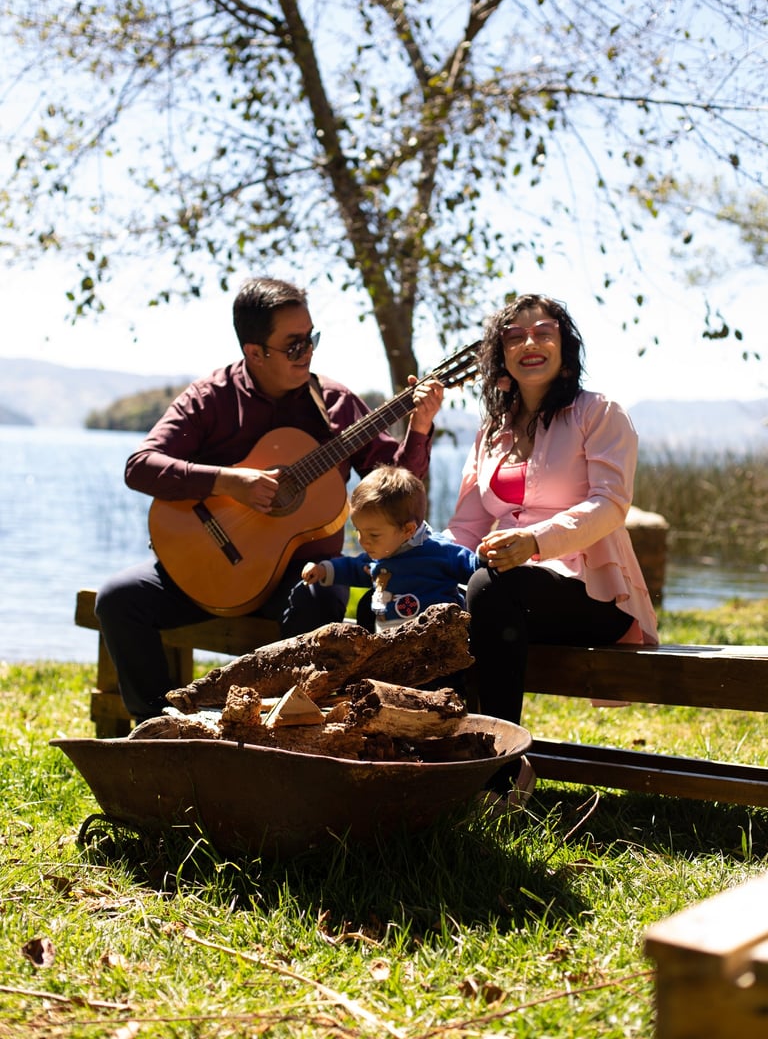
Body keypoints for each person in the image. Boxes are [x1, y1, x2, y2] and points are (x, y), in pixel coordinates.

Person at [95, 276, 444, 722]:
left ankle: (284, 730)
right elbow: (141, 466)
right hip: (209, 568)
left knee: (319, 597)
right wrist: (227, 482)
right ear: (254, 352)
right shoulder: (211, 398)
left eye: (311, 338)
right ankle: (159, 727)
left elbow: (397, 493)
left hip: (299, 577)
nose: (308, 352)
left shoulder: (335, 404)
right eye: (294, 345)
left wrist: (419, 427)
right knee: (118, 598)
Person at [444, 293, 658, 809]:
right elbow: (465, 528)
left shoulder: (599, 413)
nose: (530, 343)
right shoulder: (491, 433)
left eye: (543, 332)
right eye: (514, 336)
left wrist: (535, 542)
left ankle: (502, 772)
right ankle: (434, 763)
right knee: (438, 606)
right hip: (507, 599)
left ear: (564, 348)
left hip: (595, 597)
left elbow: (610, 504)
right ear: (500, 354)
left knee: (491, 585)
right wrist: (421, 568)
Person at [301, 465, 479, 631]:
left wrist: (485, 556)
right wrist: (323, 569)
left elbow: (473, 567)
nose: (363, 541)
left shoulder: (440, 551)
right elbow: (354, 567)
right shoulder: (381, 554)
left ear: (408, 530)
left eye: (373, 535)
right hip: (389, 640)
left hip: (439, 638)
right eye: (358, 531)